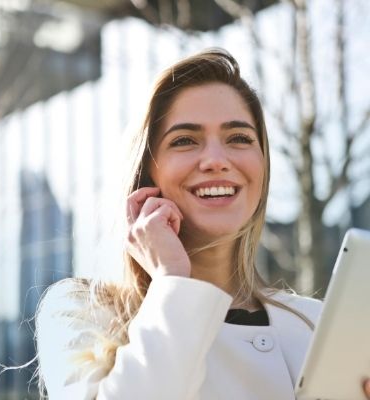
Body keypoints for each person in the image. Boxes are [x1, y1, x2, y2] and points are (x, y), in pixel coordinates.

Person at [36, 48, 370, 399]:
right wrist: (172, 280)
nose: (215, 160)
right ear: (147, 172)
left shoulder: (317, 324)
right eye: (185, 140)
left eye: (239, 138)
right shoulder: (82, 314)